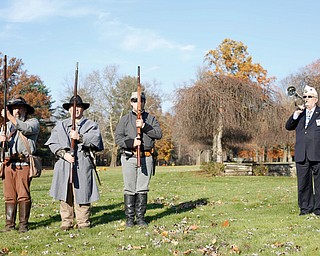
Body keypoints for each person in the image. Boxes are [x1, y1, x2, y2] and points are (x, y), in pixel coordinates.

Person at [45, 95, 104, 230]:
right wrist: (63, 154)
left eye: (78, 106)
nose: (76, 109)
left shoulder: (91, 125)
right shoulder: (60, 125)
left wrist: (80, 137)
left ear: (82, 109)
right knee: (65, 193)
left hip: (83, 162)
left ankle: (83, 221)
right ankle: (66, 221)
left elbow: (96, 141)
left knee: (83, 192)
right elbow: (53, 143)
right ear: (69, 109)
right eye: (73, 106)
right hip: (64, 163)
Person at [115, 91, 162, 227]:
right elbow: (118, 137)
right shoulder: (124, 119)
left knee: (142, 188)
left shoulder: (151, 119)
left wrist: (144, 126)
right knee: (129, 188)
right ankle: (130, 219)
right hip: (129, 157)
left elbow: (158, 134)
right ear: (131, 102)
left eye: (141, 100)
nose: (138, 103)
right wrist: (131, 143)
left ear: (144, 102)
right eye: (135, 100)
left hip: (146, 157)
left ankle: (140, 218)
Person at [0, 97, 40, 232]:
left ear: (25, 109)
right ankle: (9, 225)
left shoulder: (33, 123)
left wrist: (10, 117)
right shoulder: (6, 126)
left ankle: (23, 225)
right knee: (9, 196)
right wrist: (1, 140)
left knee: (23, 194)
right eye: (14, 108)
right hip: (8, 164)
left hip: (24, 163)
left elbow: (26, 129)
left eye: (19, 107)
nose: (16, 110)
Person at [286, 85, 320, 216]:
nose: (306, 99)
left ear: (315, 99)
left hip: (317, 153)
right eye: (305, 97)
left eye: (309, 97)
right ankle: (305, 208)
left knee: (318, 183)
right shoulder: (300, 114)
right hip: (302, 154)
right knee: (303, 183)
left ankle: (318, 209)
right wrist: (295, 115)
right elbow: (288, 126)